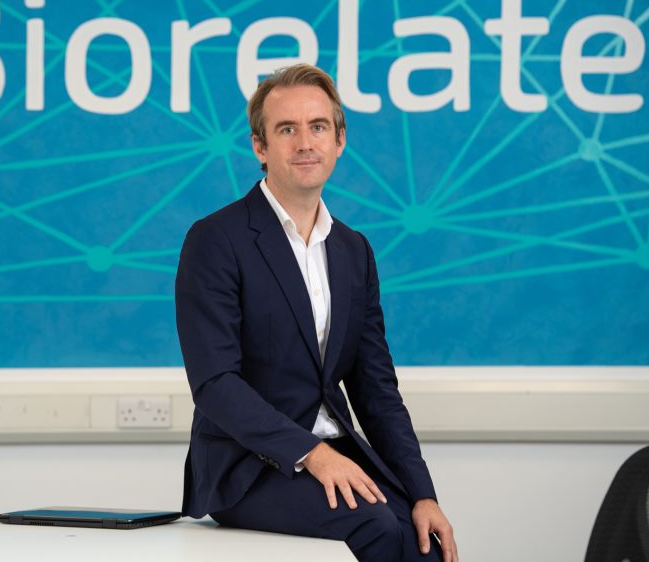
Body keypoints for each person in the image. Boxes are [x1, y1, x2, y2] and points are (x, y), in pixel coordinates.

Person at [175, 63, 458, 561]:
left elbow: (376, 389)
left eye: (318, 127)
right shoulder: (216, 240)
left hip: (336, 454)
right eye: (287, 129)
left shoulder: (353, 250)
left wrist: (422, 492)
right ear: (260, 147)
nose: (305, 142)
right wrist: (312, 453)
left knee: (424, 540)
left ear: (339, 139)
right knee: (374, 526)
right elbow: (216, 383)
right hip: (249, 467)